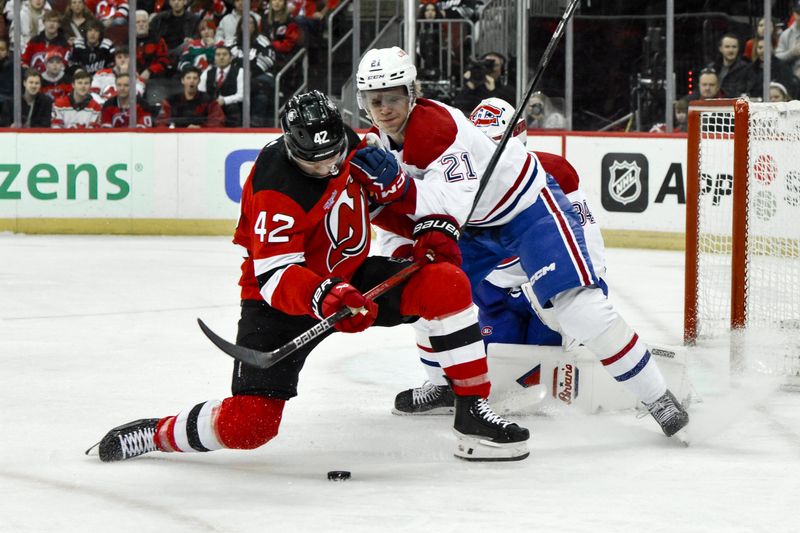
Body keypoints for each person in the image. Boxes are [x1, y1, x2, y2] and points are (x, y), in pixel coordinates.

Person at [89, 90, 530, 463]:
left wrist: (430, 228)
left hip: (352, 277)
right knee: (250, 427)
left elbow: (381, 204)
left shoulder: (351, 147)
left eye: (333, 156)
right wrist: (326, 295)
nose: (328, 168)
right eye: (314, 163)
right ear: (290, 146)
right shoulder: (276, 185)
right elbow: (275, 276)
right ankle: (157, 433)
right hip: (284, 301)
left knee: (446, 282)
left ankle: (472, 407)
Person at [353, 46, 689, 437]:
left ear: (413, 93)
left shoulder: (435, 129)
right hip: (475, 227)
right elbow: (401, 218)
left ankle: (658, 398)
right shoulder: (378, 144)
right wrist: (399, 255)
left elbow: (451, 206)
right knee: (430, 293)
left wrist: (406, 200)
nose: (384, 108)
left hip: (526, 210)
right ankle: (444, 386)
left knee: (581, 309)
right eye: (374, 100)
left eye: (393, 97)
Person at [388, 97, 608, 414]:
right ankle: (442, 388)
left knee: (540, 368)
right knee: (486, 367)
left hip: (542, 294)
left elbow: (586, 236)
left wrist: (585, 292)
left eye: (494, 142)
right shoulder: (455, 171)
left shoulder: (553, 171)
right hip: (495, 296)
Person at [156, 65, 224, 127]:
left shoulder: (209, 100)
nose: (192, 81)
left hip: (202, 137)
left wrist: (201, 128)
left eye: (195, 78)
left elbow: (218, 121)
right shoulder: (171, 100)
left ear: (199, 81)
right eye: (188, 78)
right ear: (182, 80)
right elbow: (161, 122)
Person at [452, 51, 515, 116]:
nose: (490, 69)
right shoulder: (474, 87)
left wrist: (492, 91)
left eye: (495, 65)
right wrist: (469, 87)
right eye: (486, 65)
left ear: (502, 69)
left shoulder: (507, 90)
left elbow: (502, 113)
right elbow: (459, 110)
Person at [198, 44, 242, 127]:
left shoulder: (240, 72)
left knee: (233, 107)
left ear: (231, 58)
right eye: (218, 55)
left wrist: (224, 100)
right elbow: (200, 93)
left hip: (231, 109)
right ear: (214, 58)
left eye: (224, 54)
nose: (221, 57)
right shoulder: (207, 73)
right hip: (211, 108)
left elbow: (241, 95)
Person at [706, 33, 750, 98]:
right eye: (727, 47)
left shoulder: (746, 69)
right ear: (720, 49)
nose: (731, 50)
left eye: (734, 47)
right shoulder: (712, 67)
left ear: (738, 49)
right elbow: (701, 89)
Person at [776, 2, 800, 79]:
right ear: (794, 14)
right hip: (792, 79)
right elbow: (777, 58)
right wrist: (792, 53)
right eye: (798, 13)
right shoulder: (786, 34)